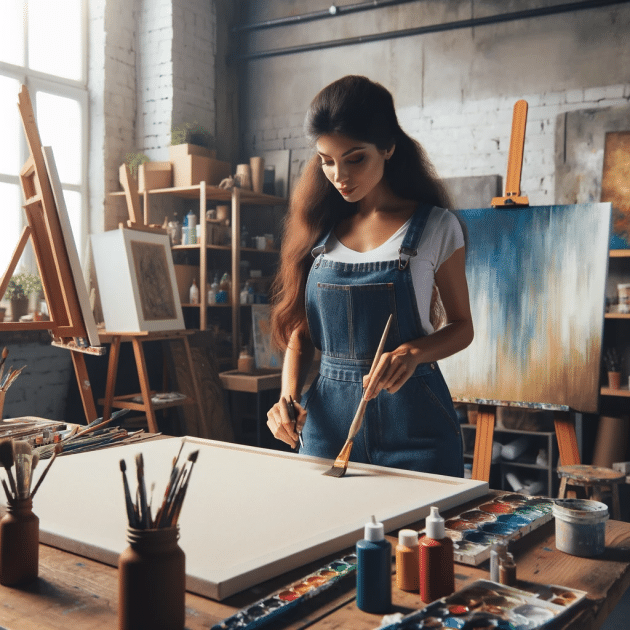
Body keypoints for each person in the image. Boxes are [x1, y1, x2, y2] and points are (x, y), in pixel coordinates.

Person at [266, 75, 473, 476]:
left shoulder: (436, 226)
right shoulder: (319, 228)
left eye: (354, 158)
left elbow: (462, 327)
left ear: (388, 147)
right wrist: (287, 398)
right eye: (326, 160)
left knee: (420, 540)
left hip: (417, 432)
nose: (339, 175)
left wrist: (413, 353)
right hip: (327, 429)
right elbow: (302, 331)